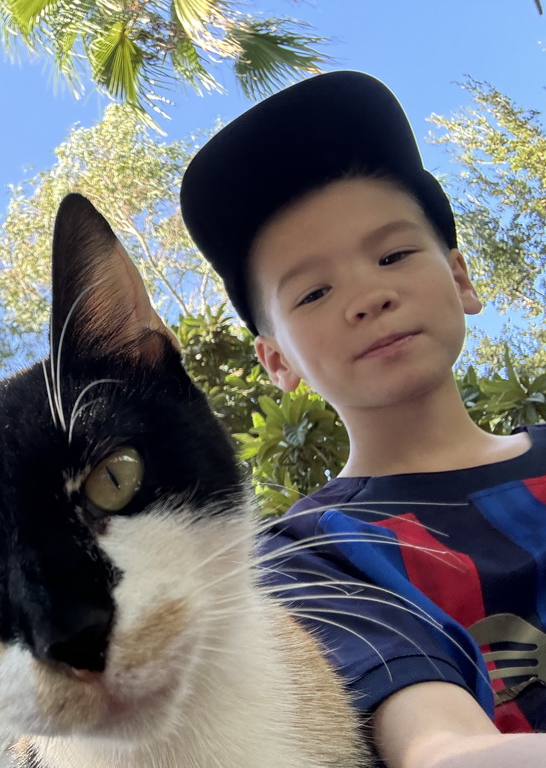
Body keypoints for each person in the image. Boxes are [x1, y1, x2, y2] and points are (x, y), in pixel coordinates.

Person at [180, 71, 546, 767]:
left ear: (461, 279)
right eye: (314, 291)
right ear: (275, 360)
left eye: (393, 254)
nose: (367, 296)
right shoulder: (314, 553)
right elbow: (444, 750)